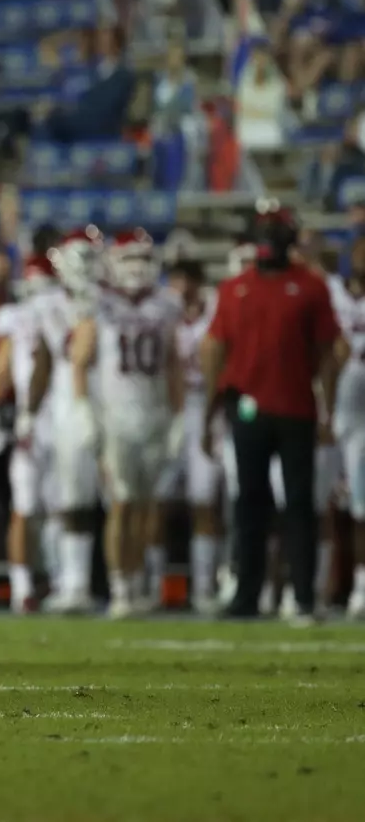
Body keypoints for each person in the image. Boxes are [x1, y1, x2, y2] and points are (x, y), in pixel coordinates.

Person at [200, 205, 339, 624]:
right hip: (247, 409)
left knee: (298, 505)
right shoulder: (234, 288)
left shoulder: (311, 287)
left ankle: (302, 597)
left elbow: (328, 351)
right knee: (249, 505)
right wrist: (210, 409)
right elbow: (215, 349)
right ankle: (247, 595)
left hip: (296, 407)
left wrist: (326, 408)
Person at [72, 230, 182, 617]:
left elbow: (172, 364)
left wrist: (178, 416)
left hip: (154, 416)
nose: (137, 267)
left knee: (145, 507)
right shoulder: (99, 305)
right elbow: (80, 361)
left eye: (142, 257)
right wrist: (86, 412)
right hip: (117, 419)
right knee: (121, 505)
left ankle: (137, 584)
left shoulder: (166, 305)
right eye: (129, 258)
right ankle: (120, 588)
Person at [0, 254, 56, 613]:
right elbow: (3, 365)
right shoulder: (16, 316)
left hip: (61, 416)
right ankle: (22, 586)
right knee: (25, 506)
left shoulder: (69, 309)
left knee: (61, 506)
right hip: (34, 418)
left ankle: (59, 581)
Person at [35, 226, 105, 613]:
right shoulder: (46, 303)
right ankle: (73, 581)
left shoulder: (110, 300)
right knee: (71, 498)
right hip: (66, 407)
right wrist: (30, 414)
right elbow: (43, 363)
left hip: (111, 401)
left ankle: (127, 584)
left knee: (124, 500)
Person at [163, 259, 226, 613]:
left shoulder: (214, 313)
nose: (182, 286)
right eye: (176, 278)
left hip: (204, 404)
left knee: (204, 499)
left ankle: (204, 587)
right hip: (169, 408)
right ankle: (149, 584)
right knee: (157, 501)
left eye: (188, 278)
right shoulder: (159, 314)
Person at [325, 237, 365, 620]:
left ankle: (360, 585)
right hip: (336, 413)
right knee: (321, 501)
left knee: (361, 507)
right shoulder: (332, 294)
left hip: (361, 420)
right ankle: (322, 585)